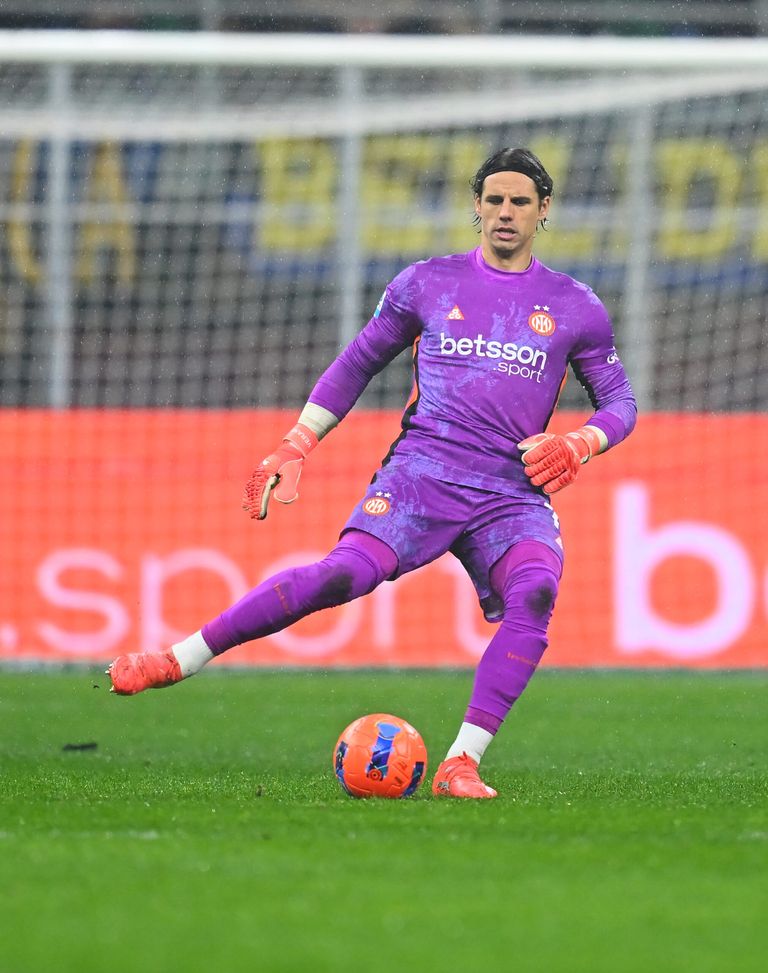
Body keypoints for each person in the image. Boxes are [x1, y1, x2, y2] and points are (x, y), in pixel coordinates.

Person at [108, 147, 637, 799]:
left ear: (543, 211)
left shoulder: (574, 305)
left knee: (535, 593)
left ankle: (460, 763)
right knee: (339, 574)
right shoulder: (427, 283)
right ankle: (176, 658)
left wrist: (581, 441)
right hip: (423, 478)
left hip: (511, 493)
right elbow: (357, 363)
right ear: (476, 205)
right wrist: (296, 443)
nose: (506, 212)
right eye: (494, 199)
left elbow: (621, 404)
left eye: (520, 201)